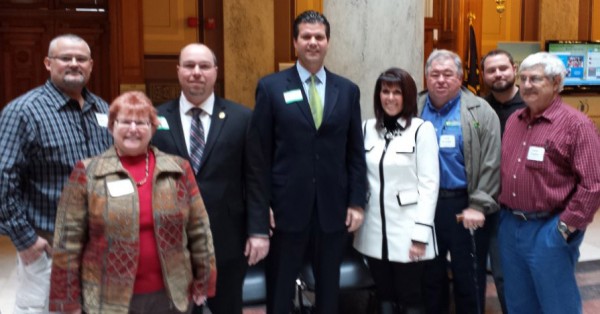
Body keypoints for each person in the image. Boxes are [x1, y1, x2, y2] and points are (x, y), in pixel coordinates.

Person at [49, 91, 217, 314]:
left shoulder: (177, 169)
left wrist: (204, 279)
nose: (133, 129)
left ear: (153, 128)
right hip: (108, 299)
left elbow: (199, 229)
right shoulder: (88, 172)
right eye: (125, 121)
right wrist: (67, 301)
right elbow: (67, 242)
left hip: (171, 296)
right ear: (111, 127)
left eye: (141, 122)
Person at [250, 10, 366, 314]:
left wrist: (356, 202)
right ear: (295, 42)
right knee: (280, 291)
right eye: (306, 36)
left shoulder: (348, 90)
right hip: (285, 211)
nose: (313, 42)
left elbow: (355, 153)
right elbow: (259, 156)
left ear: (328, 42)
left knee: (329, 293)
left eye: (319, 37)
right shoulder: (271, 87)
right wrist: (263, 209)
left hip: (333, 211)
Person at [152, 43, 269, 314]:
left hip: (227, 240)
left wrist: (259, 231)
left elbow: (255, 179)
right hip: (172, 241)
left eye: (204, 66)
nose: (196, 72)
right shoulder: (154, 119)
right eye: (189, 65)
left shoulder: (242, 118)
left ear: (216, 72)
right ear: (178, 70)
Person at [0, 33, 113, 313]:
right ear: (48, 64)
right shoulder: (24, 111)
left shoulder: (104, 109)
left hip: (98, 242)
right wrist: (26, 240)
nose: (74, 64)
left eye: (81, 59)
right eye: (66, 58)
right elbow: (3, 179)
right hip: (48, 244)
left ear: (91, 65)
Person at [498, 52, 600, 314]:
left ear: (556, 83)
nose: (527, 85)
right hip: (511, 225)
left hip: (549, 227)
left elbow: (592, 185)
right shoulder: (514, 120)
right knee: (519, 302)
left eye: (536, 79)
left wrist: (564, 229)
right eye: (524, 78)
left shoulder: (577, 125)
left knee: (557, 303)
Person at [418, 49, 501, 314]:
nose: (441, 80)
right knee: (429, 275)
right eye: (435, 74)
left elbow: (492, 161)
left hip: (466, 205)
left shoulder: (480, 111)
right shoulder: (413, 107)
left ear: (460, 77)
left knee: (469, 276)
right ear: (426, 77)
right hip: (425, 208)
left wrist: (478, 204)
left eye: (448, 74)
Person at [353, 68, 439, 314]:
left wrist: (420, 234)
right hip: (373, 230)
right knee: (384, 295)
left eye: (397, 92)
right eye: (385, 91)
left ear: (408, 96)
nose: (390, 98)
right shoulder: (367, 128)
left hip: (408, 231)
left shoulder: (421, 130)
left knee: (410, 296)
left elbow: (429, 184)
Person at [480, 49, 526, 314]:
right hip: (494, 205)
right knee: (502, 273)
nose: (498, 74)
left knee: (535, 273)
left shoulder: (533, 104)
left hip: (531, 209)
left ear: (514, 68)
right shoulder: (479, 108)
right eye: (491, 70)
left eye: (502, 68)